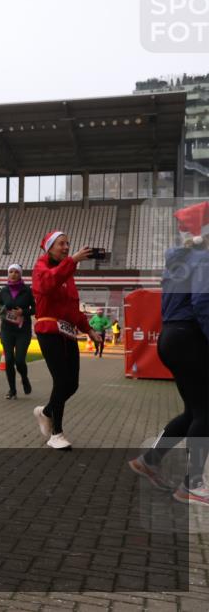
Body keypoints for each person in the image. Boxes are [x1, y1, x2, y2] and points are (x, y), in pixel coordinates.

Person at [128, 201, 209, 505]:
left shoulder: (179, 260)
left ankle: (150, 460)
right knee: (205, 412)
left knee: (194, 411)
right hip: (190, 338)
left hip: (172, 337)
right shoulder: (204, 260)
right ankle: (194, 484)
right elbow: (203, 304)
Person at [31, 230, 102, 450]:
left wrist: (88, 329)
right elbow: (46, 284)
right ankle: (57, 433)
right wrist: (72, 261)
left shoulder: (68, 276)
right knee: (61, 381)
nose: (66, 247)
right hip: (49, 329)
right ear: (49, 247)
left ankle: (45, 412)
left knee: (72, 384)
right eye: (61, 244)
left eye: (68, 244)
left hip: (68, 331)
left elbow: (73, 309)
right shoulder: (41, 268)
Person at [0, 263, 35, 399]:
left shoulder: (27, 290)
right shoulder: (4, 291)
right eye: (11, 272)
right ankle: (12, 390)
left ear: (20, 274)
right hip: (7, 330)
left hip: (22, 330)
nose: (13, 274)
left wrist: (23, 311)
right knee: (9, 359)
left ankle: (24, 378)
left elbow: (36, 309)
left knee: (19, 360)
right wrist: (0, 310)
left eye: (16, 272)